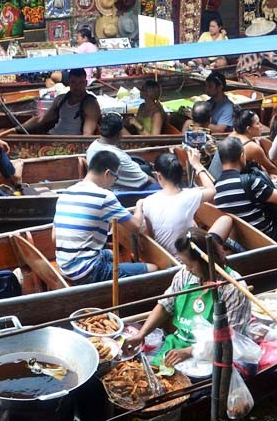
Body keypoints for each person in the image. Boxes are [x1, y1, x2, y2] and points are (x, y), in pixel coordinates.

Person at [122, 228, 250, 367]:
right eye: (184, 264)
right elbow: (165, 306)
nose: (187, 269)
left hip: (215, 354)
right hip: (180, 342)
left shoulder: (232, 287)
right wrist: (141, 334)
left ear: (205, 261)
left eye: (190, 265)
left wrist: (189, 351)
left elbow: (229, 338)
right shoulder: (185, 275)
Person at [53, 151, 158, 285]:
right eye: (116, 177)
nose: (114, 182)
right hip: (86, 271)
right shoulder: (104, 196)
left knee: (110, 253)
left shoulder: (66, 193)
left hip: (64, 266)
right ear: (108, 173)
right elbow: (135, 226)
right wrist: (139, 205)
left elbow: (54, 237)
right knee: (153, 269)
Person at [142, 152, 232, 256]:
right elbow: (212, 190)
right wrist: (197, 165)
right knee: (226, 219)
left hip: (168, 258)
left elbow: (152, 235)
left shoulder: (148, 201)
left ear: (159, 176)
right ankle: (217, 254)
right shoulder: (189, 195)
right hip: (190, 257)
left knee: (193, 223)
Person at [15, 68, 101, 136]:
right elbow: (41, 119)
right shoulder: (61, 99)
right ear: (69, 83)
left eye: (80, 83)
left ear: (85, 83)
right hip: (53, 136)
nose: (77, 86)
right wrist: (16, 129)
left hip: (72, 143)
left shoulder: (90, 104)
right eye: (73, 82)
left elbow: (87, 134)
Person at [86, 113, 158, 191]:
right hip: (124, 192)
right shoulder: (118, 157)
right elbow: (146, 179)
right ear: (119, 134)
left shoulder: (91, 148)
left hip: (109, 186)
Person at [229, 110, 277, 175]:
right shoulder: (252, 147)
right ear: (248, 129)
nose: (261, 126)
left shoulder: (232, 134)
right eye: (257, 123)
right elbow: (271, 168)